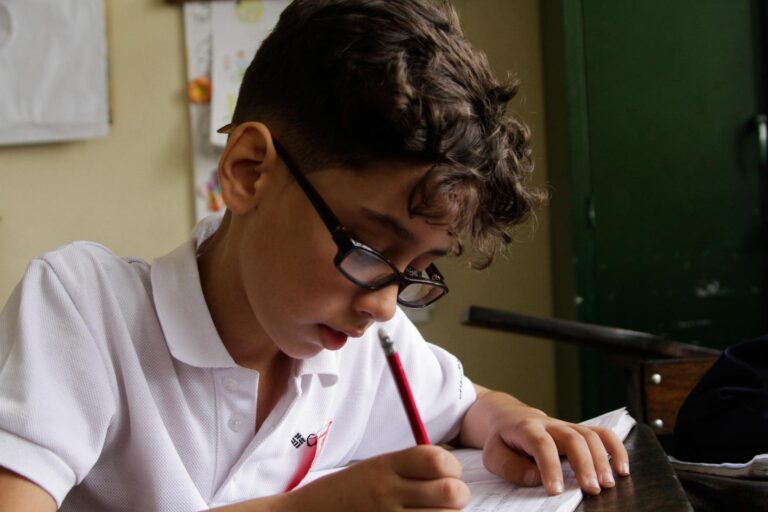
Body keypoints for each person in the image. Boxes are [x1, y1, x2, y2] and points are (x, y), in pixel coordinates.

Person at [0, 1, 629, 510]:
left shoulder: (362, 346)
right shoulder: (84, 311)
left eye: (417, 268)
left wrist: (513, 421)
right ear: (249, 172)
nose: (385, 305)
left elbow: (464, 405)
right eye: (368, 246)